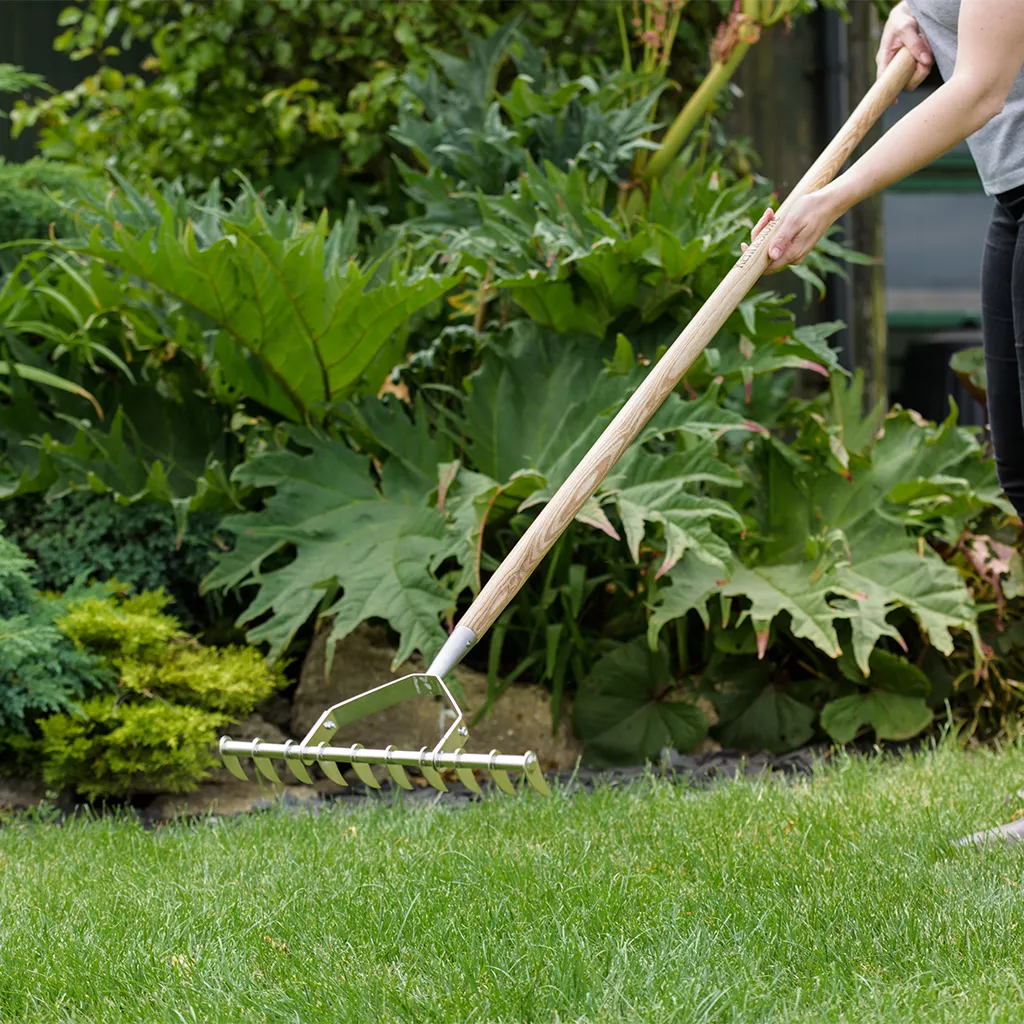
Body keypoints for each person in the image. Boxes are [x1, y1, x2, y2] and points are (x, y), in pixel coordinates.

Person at [744, 0, 1024, 518]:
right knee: (1019, 471)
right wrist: (913, 12)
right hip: (1013, 195)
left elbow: (980, 91)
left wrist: (831, 199)